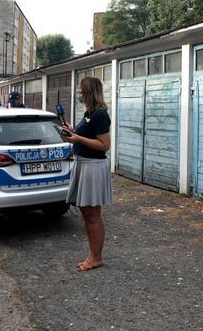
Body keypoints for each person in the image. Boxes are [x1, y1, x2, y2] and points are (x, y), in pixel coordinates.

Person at [61, 77, 113, 271]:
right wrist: (72, 132)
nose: (79, 93)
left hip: (93, 166)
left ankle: (96, 258)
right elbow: (87, 136)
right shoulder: (89, 113)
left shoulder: (99, 115)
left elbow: (104, 145)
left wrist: (77, 138)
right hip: (84, 164)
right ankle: (93, 255)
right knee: (86, 211)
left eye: (81, 90)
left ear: (89, 91)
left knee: (92, 213)